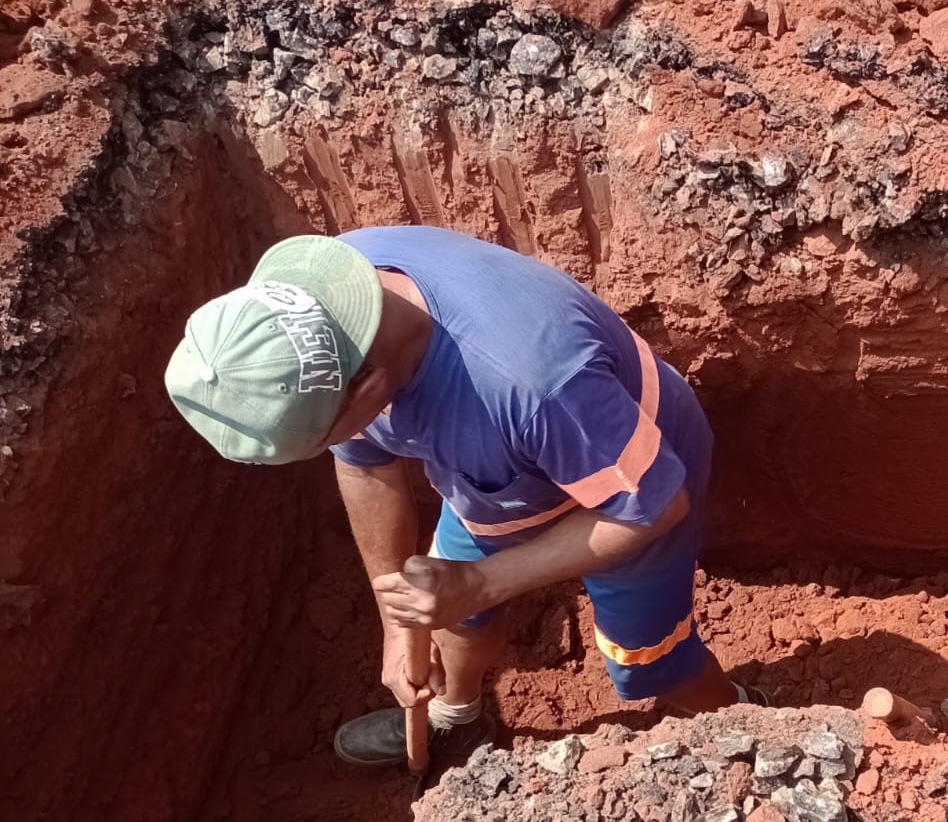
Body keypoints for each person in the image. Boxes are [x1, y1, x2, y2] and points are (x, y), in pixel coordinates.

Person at [165, 227, 768, 768]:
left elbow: (655, 504)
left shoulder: (532, 379)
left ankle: (750, 728)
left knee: (649, 659)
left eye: (328, 433)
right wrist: (399, 621)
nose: (336, 445)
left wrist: (482, 581)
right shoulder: (313, 310)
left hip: (631, 470)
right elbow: (364, 461)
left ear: (369, 389)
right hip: (495, 476)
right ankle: (459, 719)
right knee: (452, 619)